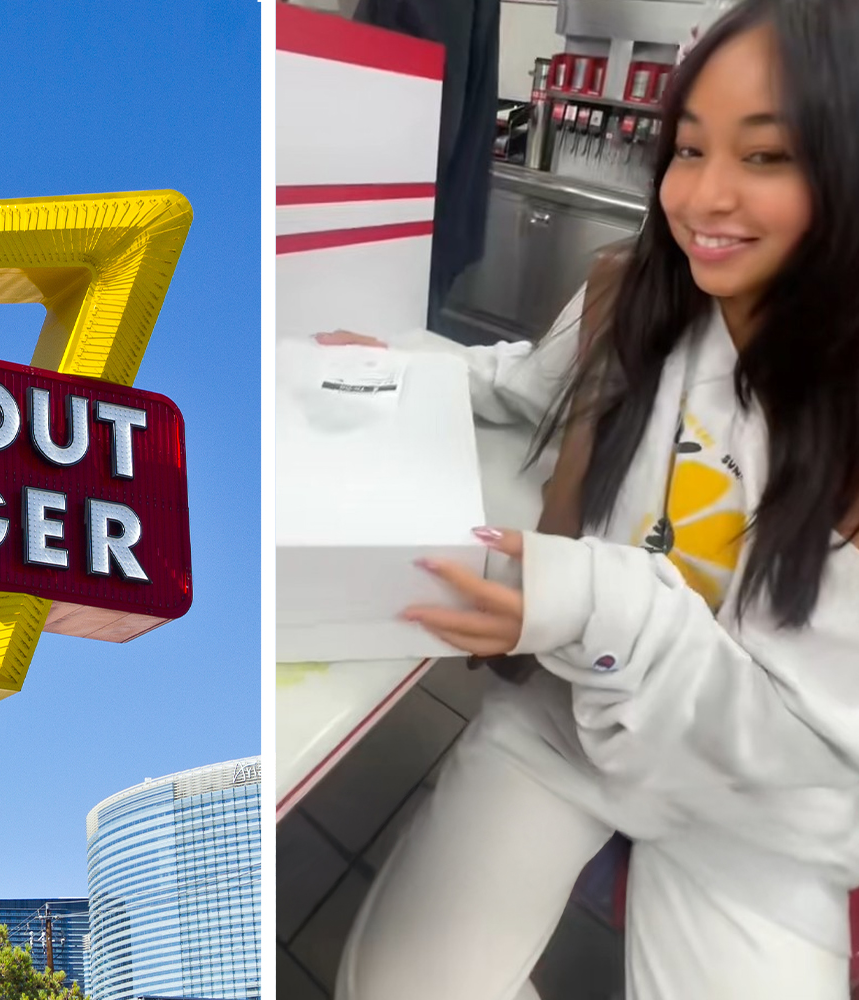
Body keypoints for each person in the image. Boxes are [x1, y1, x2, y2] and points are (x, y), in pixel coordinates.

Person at [315, 0, 859, 995]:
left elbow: (829, 782)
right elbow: (524, 379)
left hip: (760, 815)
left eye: (766, 156)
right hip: (568, 710)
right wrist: (395, 367)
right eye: (687, 150)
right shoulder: (638, 289)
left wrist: (600, 605)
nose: (702, 197)